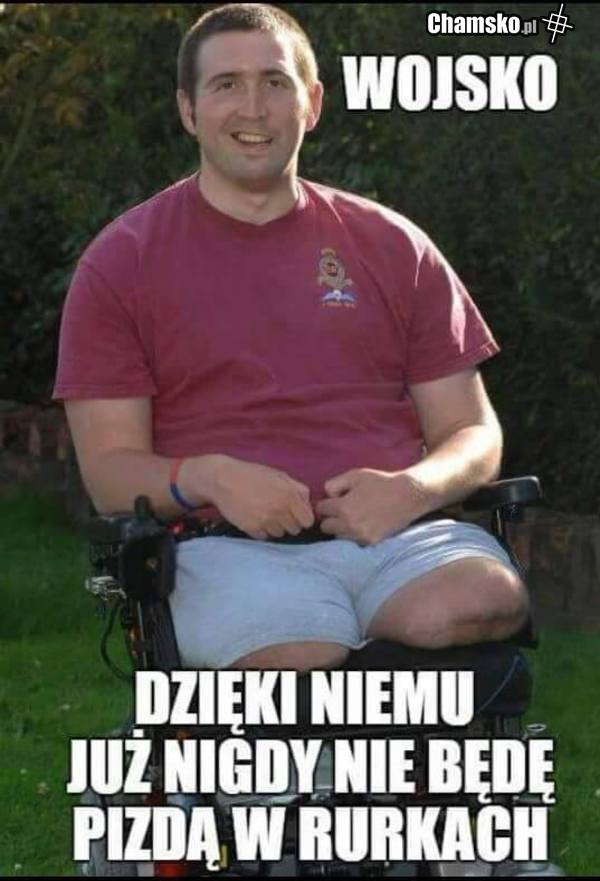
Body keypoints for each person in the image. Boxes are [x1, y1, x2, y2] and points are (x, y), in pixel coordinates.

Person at [52, 3, 528, 672]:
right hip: (220, 547)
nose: (254, 108)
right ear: (188, 109)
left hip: (399, 534)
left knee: (480, 599)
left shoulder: (393, 245)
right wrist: (209, 476)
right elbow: (110, 474)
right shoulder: (122, 261)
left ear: (312, 104)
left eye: (275, 82)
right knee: (299, 648)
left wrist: (413, 489)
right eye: (227, 84)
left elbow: (473, 431)